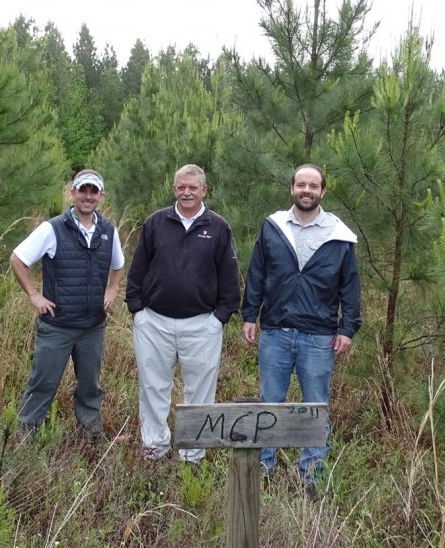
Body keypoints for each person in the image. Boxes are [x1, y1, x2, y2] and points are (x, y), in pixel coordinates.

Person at [240, 163, 361, 494]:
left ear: (323, 191)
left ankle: (312, 475)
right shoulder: (274, 226)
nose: (306, 190)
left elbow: (350, 286)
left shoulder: (339, 235)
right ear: (292, 188)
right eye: (301, 185)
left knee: (315, 406)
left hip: (319, 336)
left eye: (313, 186)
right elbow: (257, 273)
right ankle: (264, 467)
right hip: (275, 331)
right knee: (270, 402)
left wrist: (348, 328)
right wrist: (249, 314)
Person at [126, 164, 241, 462]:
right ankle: (155, 446)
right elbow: (138, 268)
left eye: (193, 187)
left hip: (202, 324)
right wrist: (137, 309)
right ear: (174, 189)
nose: (186, 192)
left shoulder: (218, 226)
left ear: (204, 190)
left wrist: (220, 317)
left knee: (200, 392)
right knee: (153, 387)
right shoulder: (156, 222)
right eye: (181, 187)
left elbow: (229, 275)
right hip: (154, 322)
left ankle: (193, 453)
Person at [10, 169, 124, 440]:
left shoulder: (108, 231)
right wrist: (34, 296)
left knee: (90, 387)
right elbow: (18, 259)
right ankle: (25, 437)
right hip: (57, 326)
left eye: (94, 191)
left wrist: (113, 289)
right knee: (43, 384)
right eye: (83, 190)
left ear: (101, 196)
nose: (88, 196)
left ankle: (91, 436)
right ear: (72, 193)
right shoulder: (52, 229)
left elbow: (118, 265)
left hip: (92, 327)